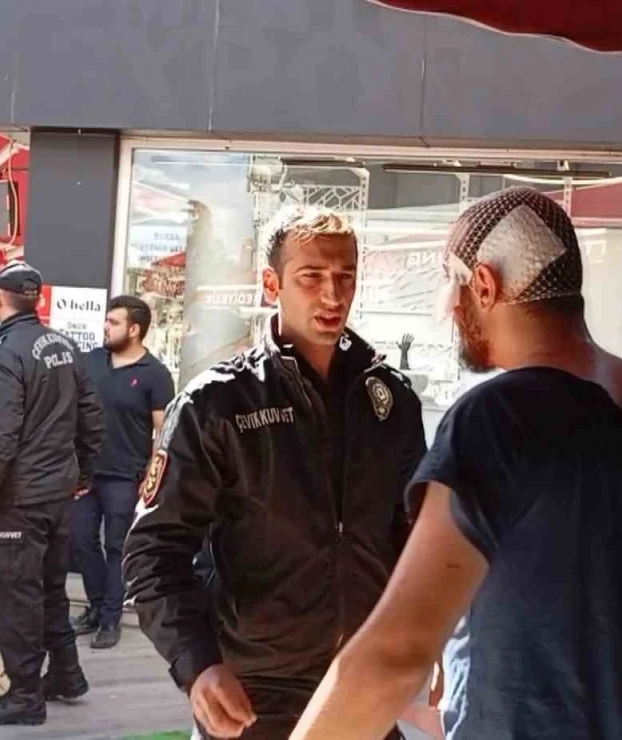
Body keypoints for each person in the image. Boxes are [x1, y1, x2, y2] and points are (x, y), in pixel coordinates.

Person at [291, 187, 622, 740]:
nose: (451, 310)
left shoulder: (499, 420)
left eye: (453, 285)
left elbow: (396, 654)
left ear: (484, 285)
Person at [122, 208, 427, 740]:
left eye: (345, 276)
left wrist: (429, 639)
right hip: (253, 694)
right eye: (311, 276)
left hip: (362, 686)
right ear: (272, 284)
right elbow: (152, 551)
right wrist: (197, 665)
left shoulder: (390, 400)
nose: (332, 294)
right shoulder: (216, 403)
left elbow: (417, 537)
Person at [0, 261, 104, 726]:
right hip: (57, 489)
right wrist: (83, 473)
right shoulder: (65, 346)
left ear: (1, 298)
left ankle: (24, 695)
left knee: (18, 595)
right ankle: (65, 673)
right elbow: (91, 417)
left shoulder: (4, 354)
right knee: (50, 587)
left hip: (22, 497)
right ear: (35, 299)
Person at [70, 295, 174, 649]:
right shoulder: (91, 361)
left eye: (114, 322)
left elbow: (163, 431)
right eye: (107, 320)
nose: (106, 327)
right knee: (81, 541)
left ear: (134, 329)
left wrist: (152, 474)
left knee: (116, 547)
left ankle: (110, 619)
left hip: (125, 476)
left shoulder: (155, 374)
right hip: (85, 472)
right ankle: (96, 606)